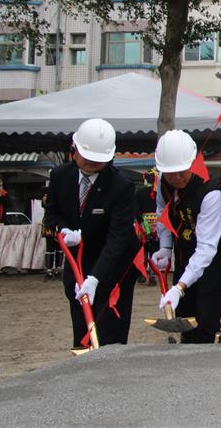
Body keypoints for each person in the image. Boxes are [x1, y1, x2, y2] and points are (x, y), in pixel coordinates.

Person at [42, 118, 141, 346]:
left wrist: (95, 279)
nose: (91, 165)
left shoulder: (122, 186)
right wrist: (63, 231)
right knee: (82, 334)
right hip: (77, 265)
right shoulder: (59, 176)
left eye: (98, 162)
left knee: (109, 335)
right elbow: (52, 214)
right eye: (87, 159)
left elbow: (119, 238)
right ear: (74, 150)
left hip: (112, 268)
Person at [149, 130, 221, 343]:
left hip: (213, 256)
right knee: (185, 315)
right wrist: (166, 246)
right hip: (185, 247)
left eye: (182, 171)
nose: (177, 178)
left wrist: (179, 287)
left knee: (206, 316)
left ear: (193, 163)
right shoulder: (163, 181)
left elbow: (206, 249)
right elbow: (163, 210)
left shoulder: (211, 193)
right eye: (171, 173)